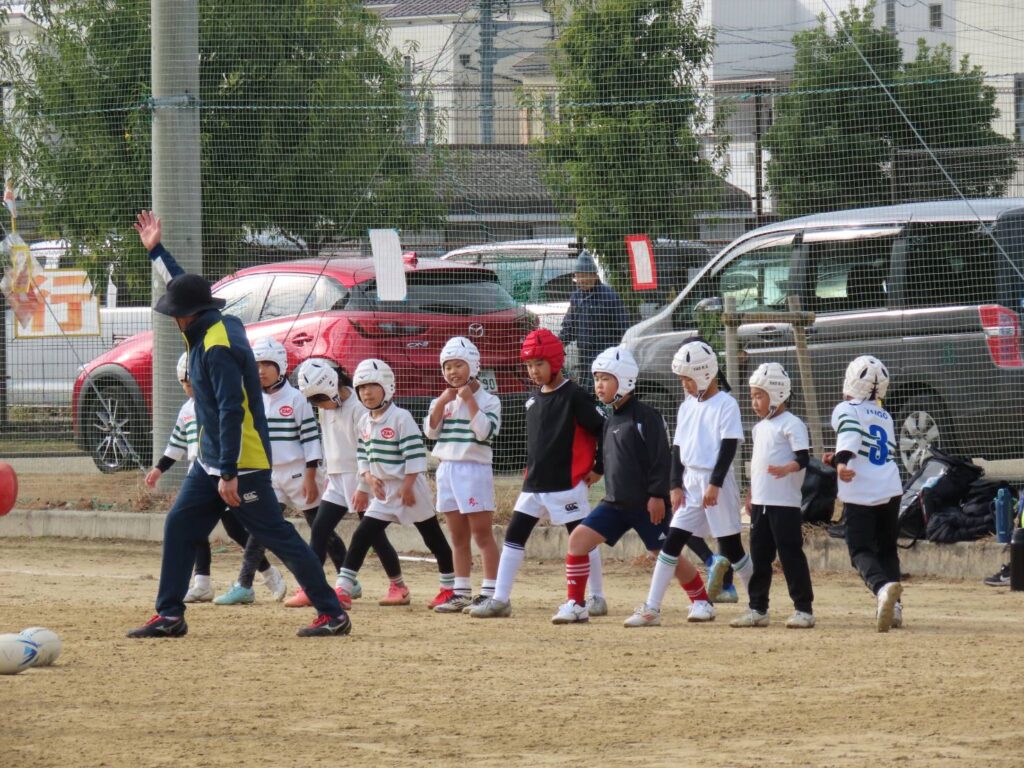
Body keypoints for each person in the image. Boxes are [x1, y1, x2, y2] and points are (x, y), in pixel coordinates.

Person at [126, 210, 349, 638]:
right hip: (211, 459)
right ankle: (170, 615)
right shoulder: (208, 324)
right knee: (179, 526)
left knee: (278, 535)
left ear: (186, 316)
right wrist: (156, 250)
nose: (172, 317)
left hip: (239, 460)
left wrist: (228, 471)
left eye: (174, 312)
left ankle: (332, 613)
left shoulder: (218, 347)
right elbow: (182, 284)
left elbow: (232, 409)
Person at [552, 346, 714, 625]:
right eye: (596, 379)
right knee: (578, 540)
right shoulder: (609, 420)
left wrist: (657, 495)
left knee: (666, 555)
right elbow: (610, 455)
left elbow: (662, 457)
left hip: (646, 505)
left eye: (605, 379)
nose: (598, 385)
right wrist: (597, 471)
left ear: (625, 380)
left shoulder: (646, 416)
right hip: (615, 504)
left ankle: (702, 601)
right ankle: (577, 605)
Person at [470, 329, 607, 619]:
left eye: (539, 364)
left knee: (583, 539)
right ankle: (500, 600)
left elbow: (603, 431)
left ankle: (596, 597)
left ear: (555, 362)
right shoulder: (532, 399)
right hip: (534, 484)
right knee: (514, 535)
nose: (533, 371)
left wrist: (599, 467)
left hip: (567, 484)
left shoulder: (575, 396)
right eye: (529, 365)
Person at [623, 340, 752, 627]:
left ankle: (758, 603)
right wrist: (674, 485)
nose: (684, 384)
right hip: (690, 482)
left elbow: (728, 447)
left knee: (732, 548)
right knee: (671, 542)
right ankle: (651, 608)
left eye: (688, 379)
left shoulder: (726, 404)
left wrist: (715, 483)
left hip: (715, 483)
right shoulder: (686, 406)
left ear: (705, 374)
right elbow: (678, 448)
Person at [145, 352, 285, 604]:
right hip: (198, 477)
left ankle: (268, 572)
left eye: (192, 382)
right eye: (185, 383)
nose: (189, 388)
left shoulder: (218, 404)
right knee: (194, 529)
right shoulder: (186, 410)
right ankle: (202, 584)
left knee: (236, 529)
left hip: (225, 476)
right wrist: (158, 469)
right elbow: (176, 444)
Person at [212, 337, 332, 606]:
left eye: (267, 364)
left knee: (320, 529)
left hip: (299, 474)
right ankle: (244, 585)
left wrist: (311, 476)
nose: (261, 371)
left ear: (281, 366)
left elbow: (311, 439)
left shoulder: (297, 399)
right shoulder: (252, 399)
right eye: (256, 365)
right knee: (261, 529)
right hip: (269, 477)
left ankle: (347, 579)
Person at [334, 359, 456, 609]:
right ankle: (342, 589)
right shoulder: (364, 421)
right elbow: (362, 454)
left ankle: (449, 588)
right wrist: (368, 479)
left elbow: (415, 456)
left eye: (372, 386)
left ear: (387, 387)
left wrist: (408, 487)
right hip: (383, 493)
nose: (366, 393)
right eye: (361, 388)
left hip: (410, 490)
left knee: (433, 539)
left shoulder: (401, 417)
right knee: (362, 535)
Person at [290, 358, 410, 607]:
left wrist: (363, 487)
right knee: (319, 530)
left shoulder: (359, 408)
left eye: (320, 399)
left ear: (333, 386)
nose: (319, 405)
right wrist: (327, 474)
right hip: (336, 480)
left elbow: (367, 448)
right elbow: (329, 442)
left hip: (360, 479)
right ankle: (312, 588)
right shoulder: (325, 408)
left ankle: (398, 586)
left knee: (373, 536)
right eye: (314, 401)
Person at [731, 362, 815, 629]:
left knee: (790, 555)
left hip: (785, 504)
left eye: (759, 396)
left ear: (777, 394)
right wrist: (751, 494)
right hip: (761, 504)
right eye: (752, 396)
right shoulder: (759, 428)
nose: (754, 403)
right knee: (759, 556)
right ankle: (758, 608)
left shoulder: (792, 424)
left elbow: (803, 458)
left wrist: (788, 468)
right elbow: (758, 465)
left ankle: (803, 609)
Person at [825, 355, 904, 633]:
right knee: (887, 548)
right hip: (891, 488)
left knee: (859, 550)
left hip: (861, 490)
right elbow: (871, 447)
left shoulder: (846, 408)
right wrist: (837, 459)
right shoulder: (885, 415)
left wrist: (841, 461)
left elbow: (851, 432)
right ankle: (895, 607)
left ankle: (882, 590)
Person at [423, 337, 502, 614]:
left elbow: (484, 432)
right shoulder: (442, 399)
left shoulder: (489, 401)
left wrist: (469, 401)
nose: (452, 372)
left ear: (473, 366)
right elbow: (430, 432)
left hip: (473, 470)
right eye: (447, 367)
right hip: (446, 470)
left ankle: (491, 592)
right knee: (457, 536)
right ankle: (461, 592)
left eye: (458, 365)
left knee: (481, 534)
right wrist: (442, 402)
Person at [558, 250, 629, 390]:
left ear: (595, 276)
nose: (581, 280)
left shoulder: (610, 296)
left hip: (606, 354)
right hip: (584, 356)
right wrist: (558, 345)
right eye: (578, 276)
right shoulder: (576, 297)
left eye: (585, 276)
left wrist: (621, 352)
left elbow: (623, 327)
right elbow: (569, 326)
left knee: (605, 390)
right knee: (586, 390)